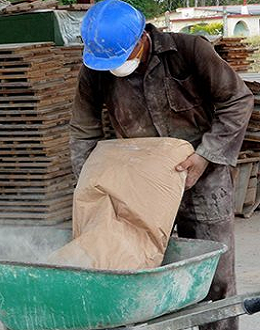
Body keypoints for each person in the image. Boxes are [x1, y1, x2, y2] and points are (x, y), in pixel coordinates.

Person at [70, 1, 253, 329]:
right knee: (143, 270)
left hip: (202, 176)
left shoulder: (189, 51)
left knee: (215, 279)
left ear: (141, 38)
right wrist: (91, 187)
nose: (116, 66)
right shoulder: (97, 68)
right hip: (141, 183)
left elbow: (237, 100)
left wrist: (206, 155)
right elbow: (83, 131)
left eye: (121, 57)